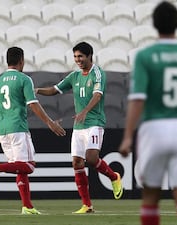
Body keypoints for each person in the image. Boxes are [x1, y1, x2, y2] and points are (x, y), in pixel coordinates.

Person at [118, 2, 177, 225]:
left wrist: (128, 136)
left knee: (150, 194)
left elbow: (138, 98)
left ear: (154, 24)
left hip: (154, 128)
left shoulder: (145, 56)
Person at [35, 42, 123, 214]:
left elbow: (98, 95)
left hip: (94, 123)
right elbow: (55, 90)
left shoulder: (97, 73)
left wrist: (84, 111)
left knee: (91, 158)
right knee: (77, 163)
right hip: (79, 126)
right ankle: (87, 205)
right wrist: (37, 90)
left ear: (90, 56)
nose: (78, 60)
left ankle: (114, 177)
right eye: (75, 57)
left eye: (80, 56)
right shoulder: (74, 76)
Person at [0, 46, 66, 215]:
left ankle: (27, 207)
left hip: (2, 130)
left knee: (20, 168)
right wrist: (50, 123)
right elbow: (33, 104)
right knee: (29, 166)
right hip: (18, 128)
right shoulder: (24, 79)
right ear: (22, 61)